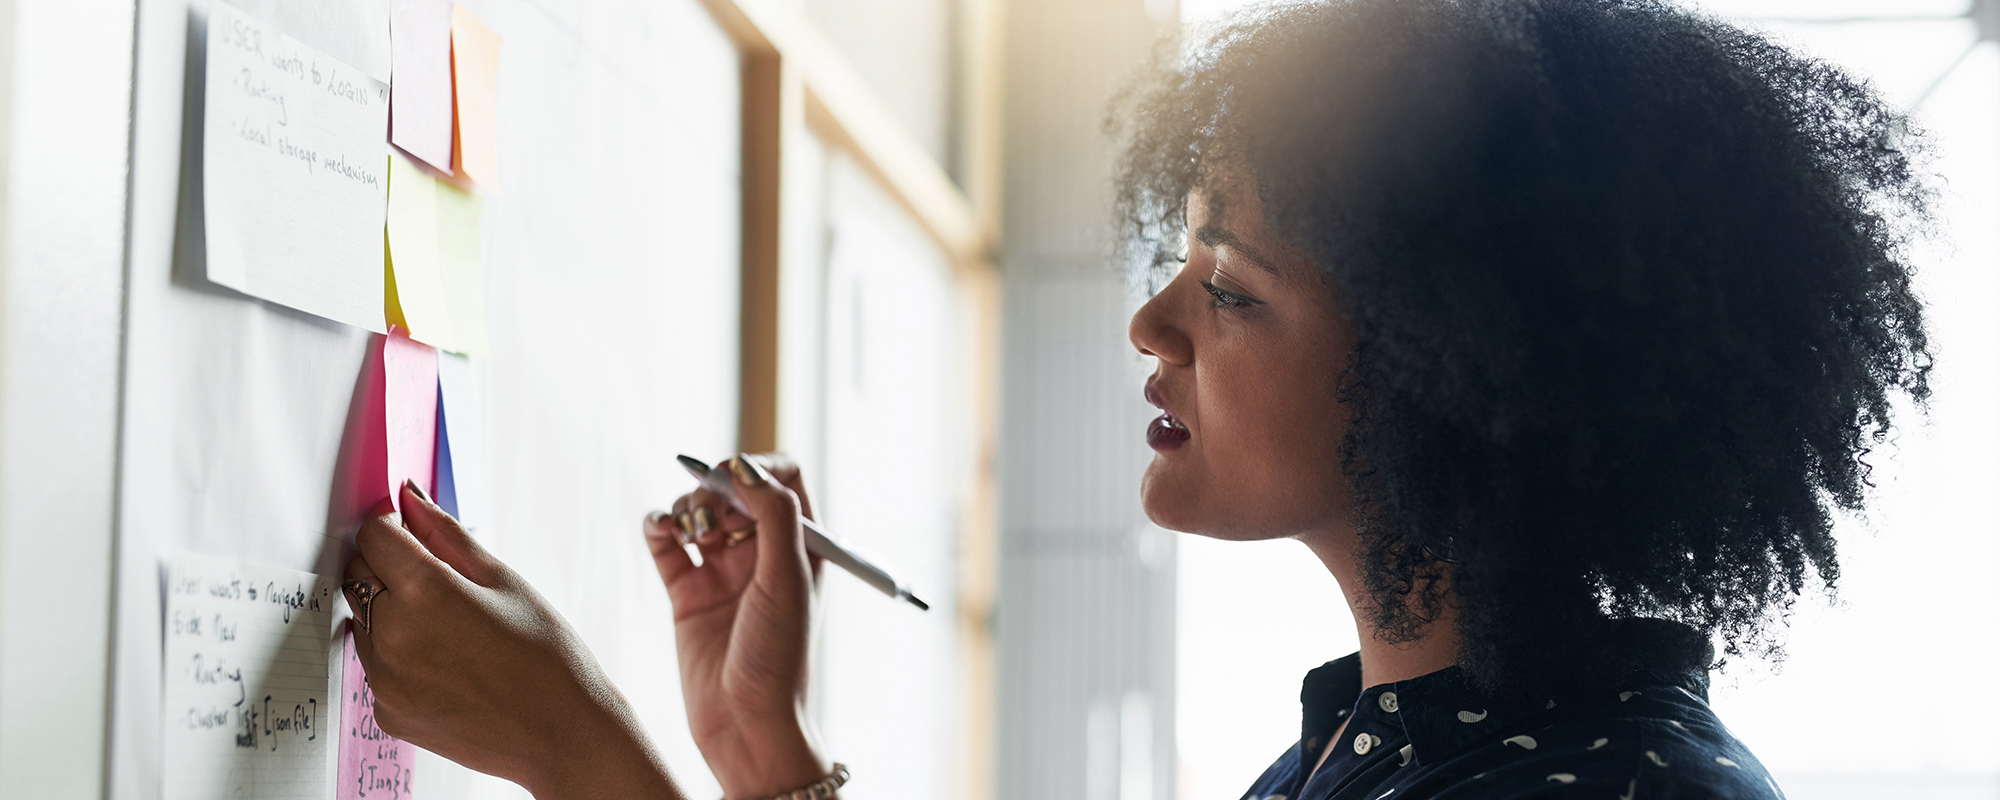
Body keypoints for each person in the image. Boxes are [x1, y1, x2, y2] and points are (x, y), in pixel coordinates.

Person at [336, 0, 1935, 797]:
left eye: (1231, 287)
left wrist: (591, 764)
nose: (1151, 323)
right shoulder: (1397, 739)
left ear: (1464, 380)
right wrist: (768, 763)